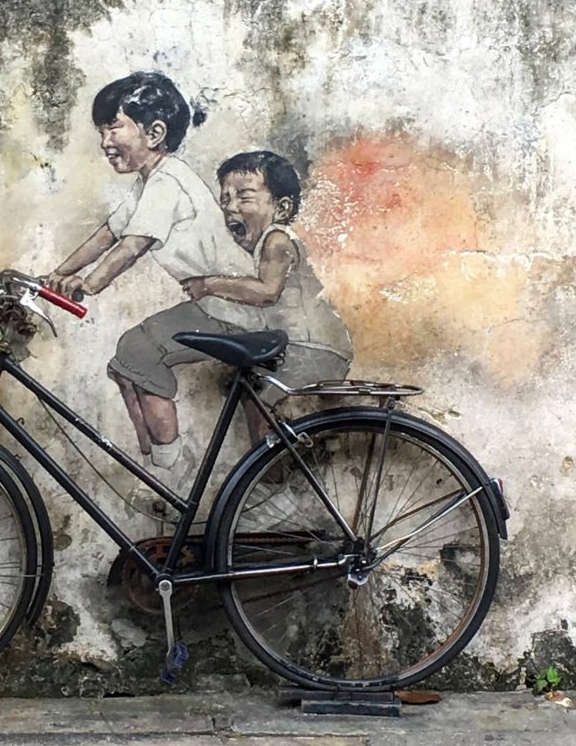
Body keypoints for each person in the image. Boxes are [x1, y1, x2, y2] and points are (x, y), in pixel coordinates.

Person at [45, 72, 258, 491]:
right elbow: (109, 233)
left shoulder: (169, 181)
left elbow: (131, 246)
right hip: (214, 306)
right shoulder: (151, 181)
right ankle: (158, 463)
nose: (105, 141)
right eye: (102, 130)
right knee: (126, 363)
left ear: (155, 132)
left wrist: (88, 285)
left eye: (113, 127)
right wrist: (59, 274)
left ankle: (174, 465)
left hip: (235, 307)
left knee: (139, 351)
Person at [184, 150, 353, 445]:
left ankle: (269, 481)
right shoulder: (262, 243)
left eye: (244, 197)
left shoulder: (277, 240)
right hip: (305, 346)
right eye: (225, 199)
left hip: (313, 347)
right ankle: (287, 465)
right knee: (253, 395)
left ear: (282, 207)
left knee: (261, 407)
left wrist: (209, 284)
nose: (230, 207)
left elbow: (266, 291)